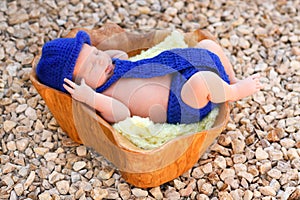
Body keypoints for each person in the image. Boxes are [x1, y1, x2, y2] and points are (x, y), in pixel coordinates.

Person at [36, 31, 261, 124]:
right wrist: (90, 98)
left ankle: (230, 79)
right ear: (78, 85)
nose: (101, 60)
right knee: (202, 81)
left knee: (208, 46)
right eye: (92, 65)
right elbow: (122, 114)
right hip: (181, 103)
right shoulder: (104, 94)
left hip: (178, 70)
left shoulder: (111, 66)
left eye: (96, 53)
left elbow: (121, 56)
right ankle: (234, 92)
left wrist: (105, 56)